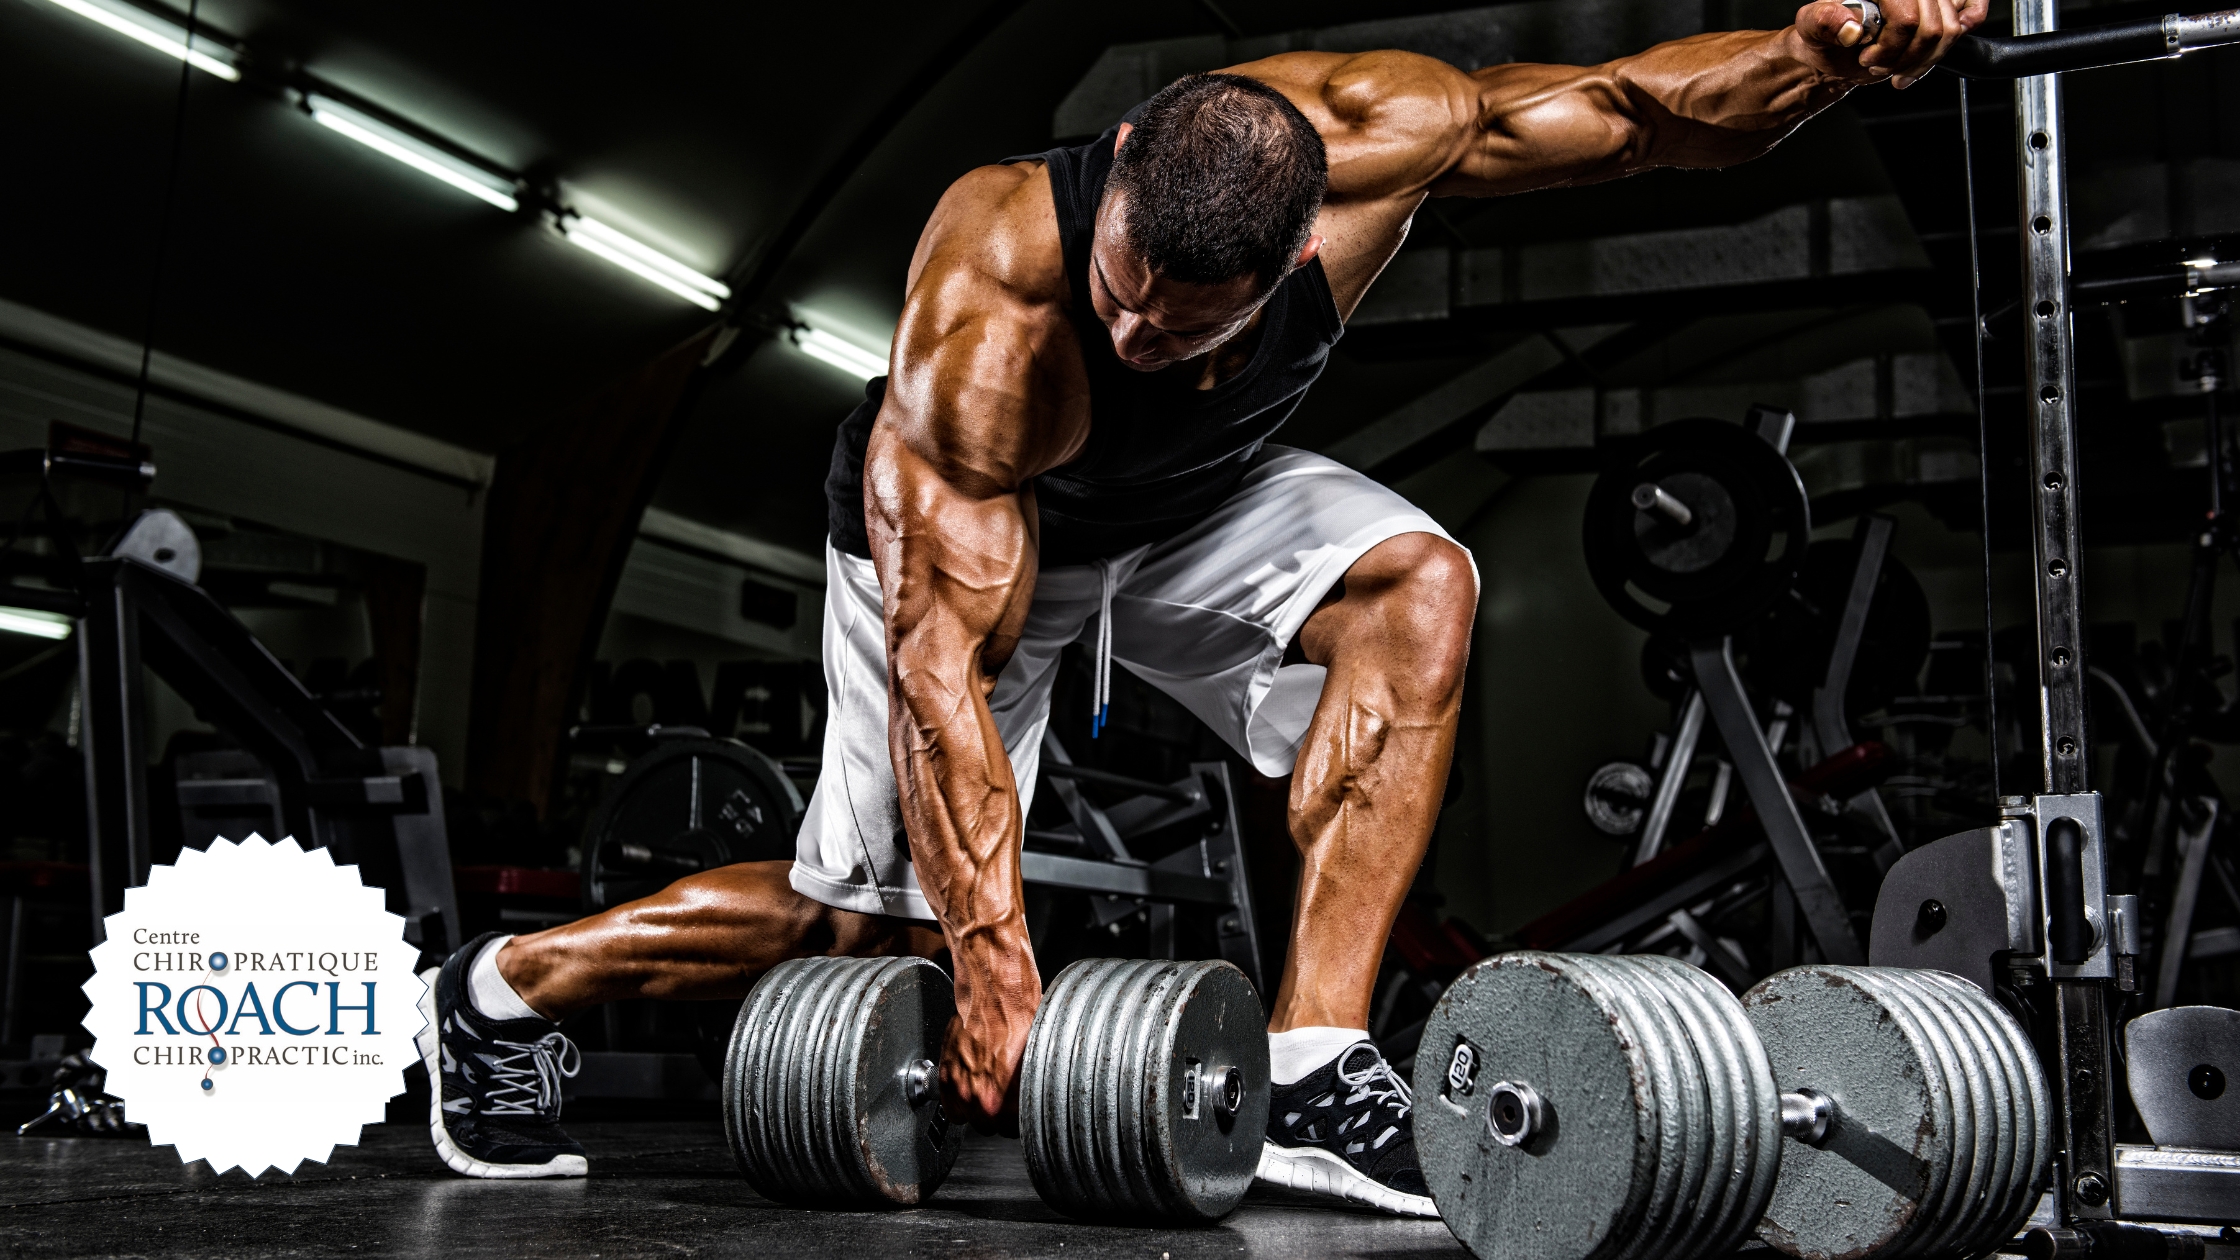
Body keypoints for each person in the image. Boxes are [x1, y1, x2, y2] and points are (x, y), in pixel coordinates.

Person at [417, 0, 1983, 1210]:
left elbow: (1647, 117)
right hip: (983, 550)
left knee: (1421, 584)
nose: (1136, 326)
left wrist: (1818, 55)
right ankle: (496, 995)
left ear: (1302, 243)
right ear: (1113, 198)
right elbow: (942, 663)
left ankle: (1313, 1062)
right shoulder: (995, 311)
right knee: (860, 921)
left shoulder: (1393, 137)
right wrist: (992, 958)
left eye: (1182, 323)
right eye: (1120, 293)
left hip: (1188, 505)